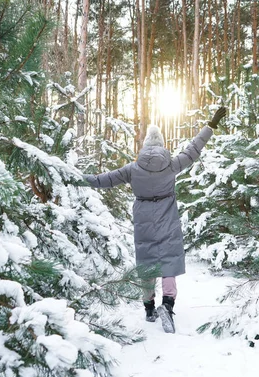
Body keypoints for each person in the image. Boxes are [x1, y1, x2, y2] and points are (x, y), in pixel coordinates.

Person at [84, 107, 227, 333]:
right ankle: (167, 305)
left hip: (143, 218)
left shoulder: (133, 168)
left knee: (148, 260)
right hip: (167, 216)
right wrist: (210, 126)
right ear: (160, 144)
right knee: (169, 259)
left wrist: (71, 177)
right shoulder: (171, 164)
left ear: (144, 146)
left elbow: (103, 180)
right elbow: (193, 149)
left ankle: (149, 307)